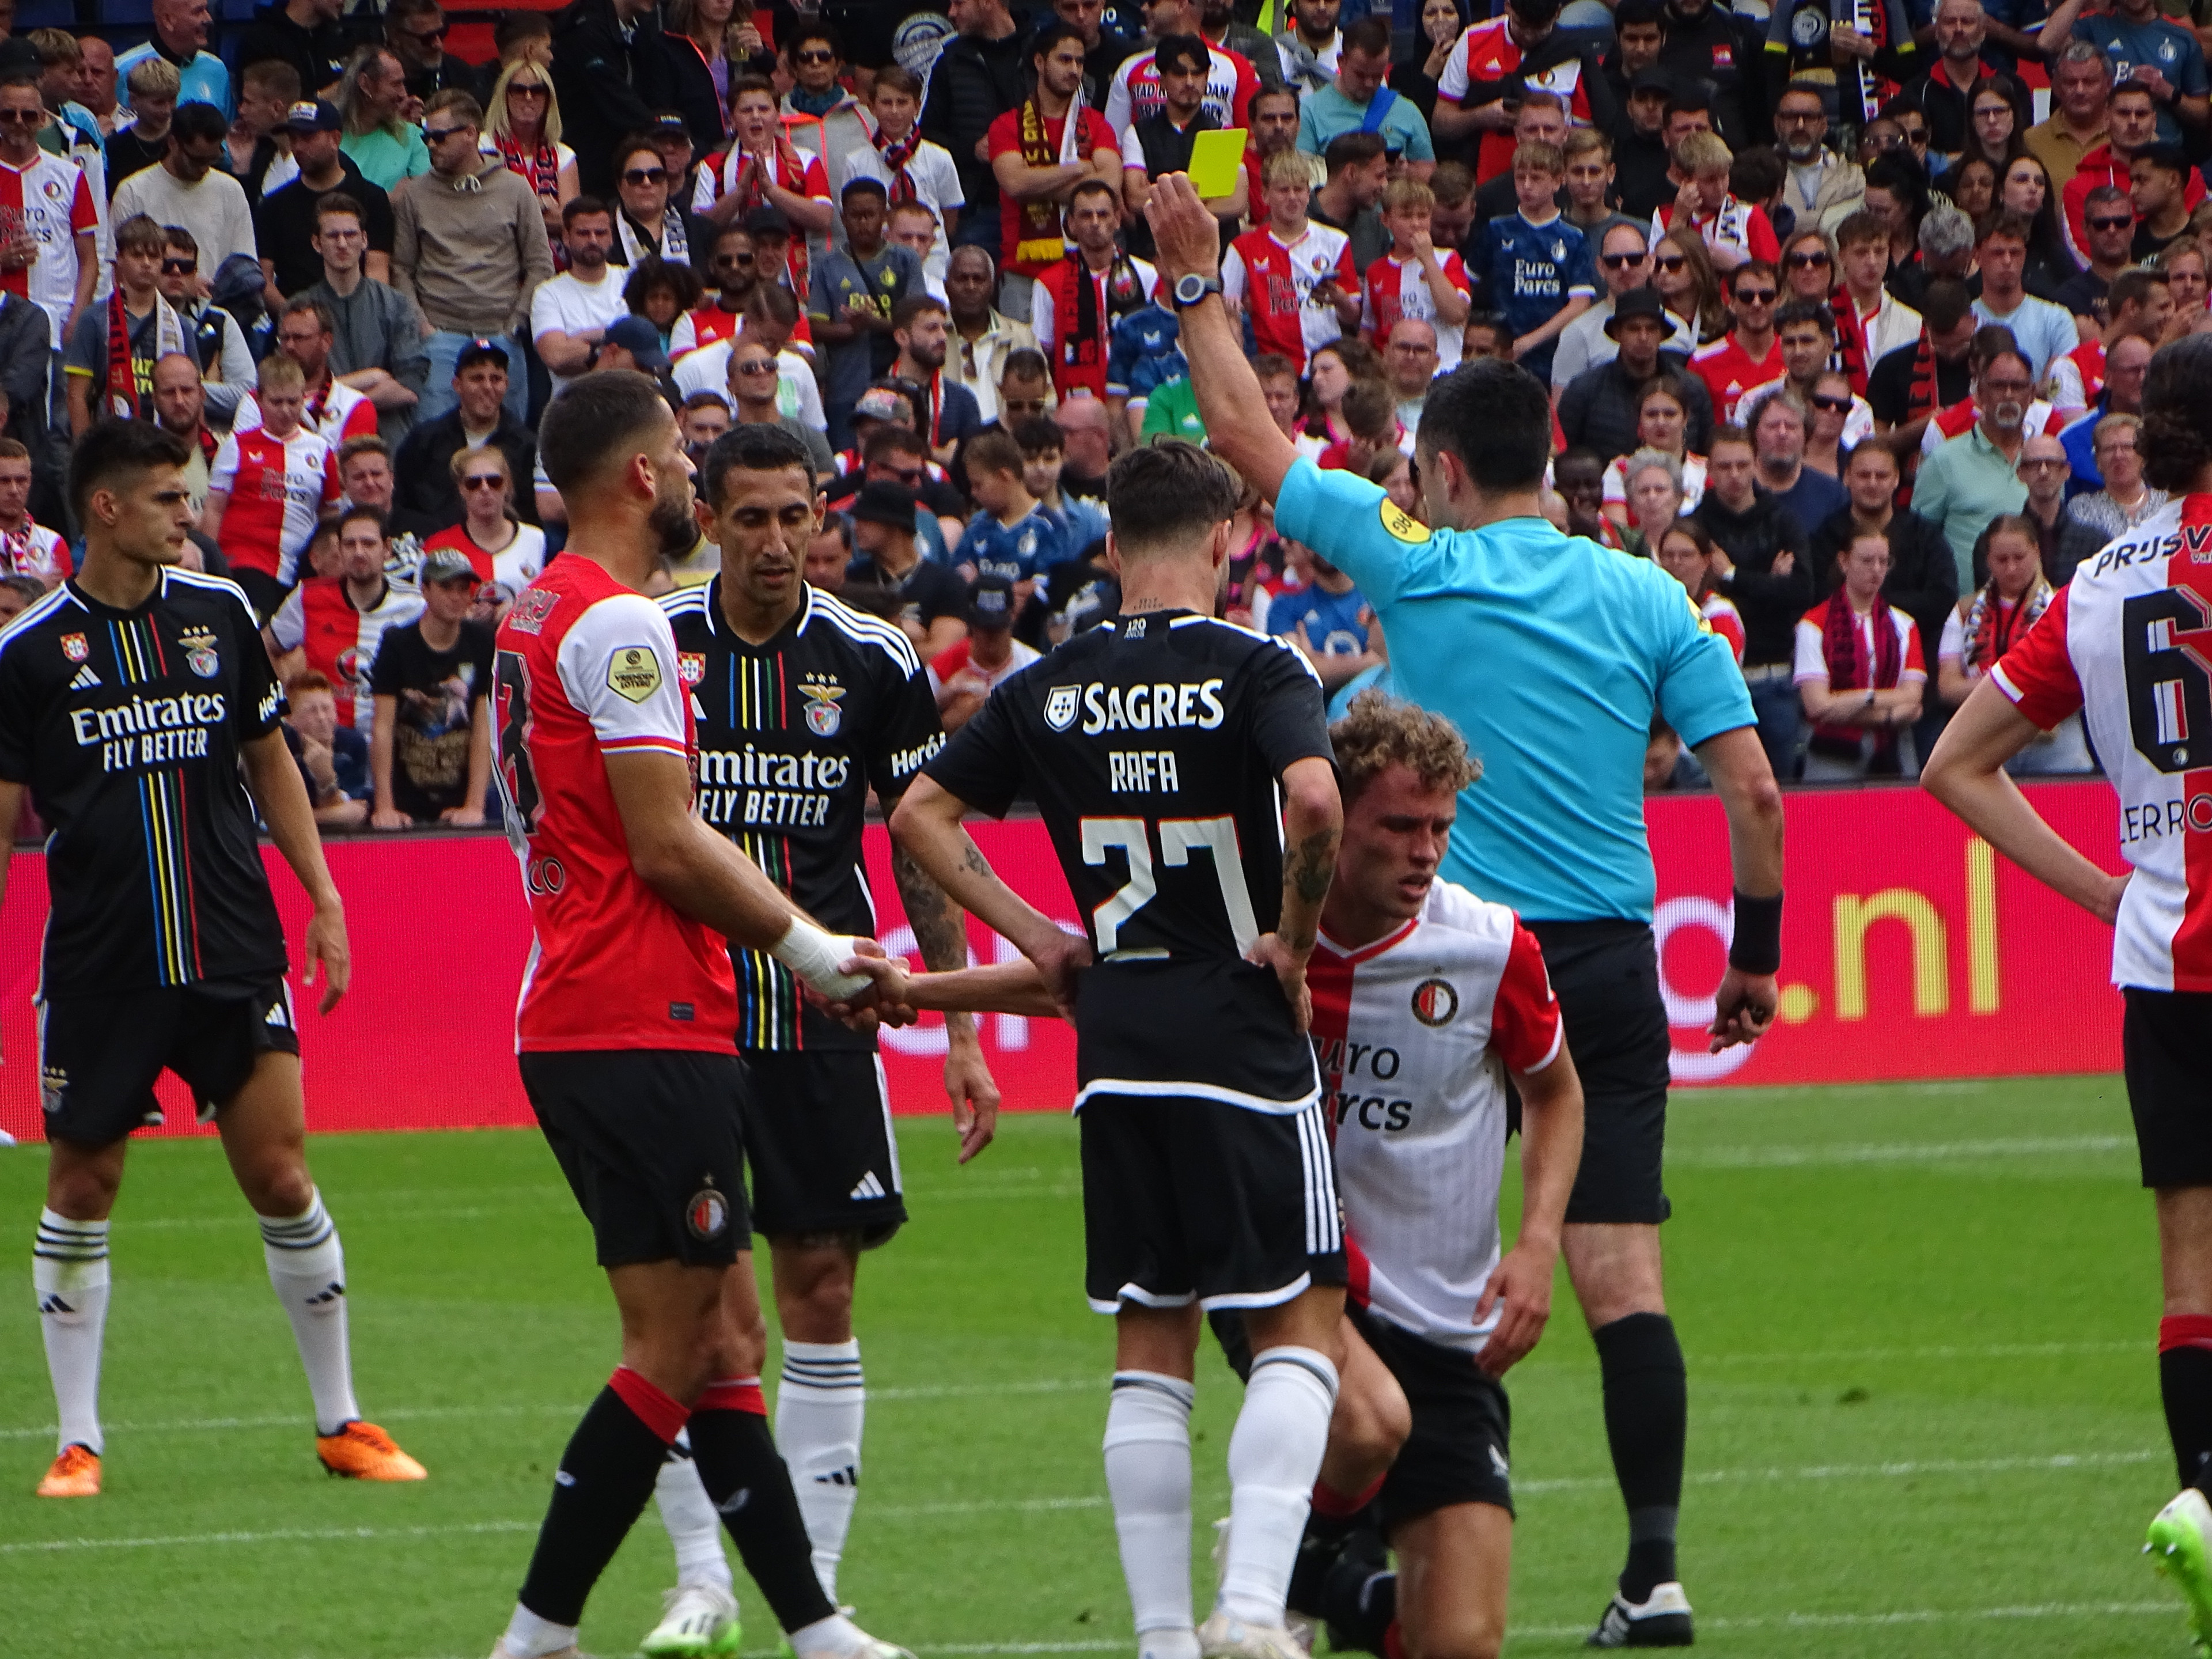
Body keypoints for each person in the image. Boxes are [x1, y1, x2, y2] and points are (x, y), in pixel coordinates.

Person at [1153, 169, 1786, 1650]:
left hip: (1445, 959)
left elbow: (1245, 441)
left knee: (1373, 1254)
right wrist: (1753, 956)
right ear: (1553, 461)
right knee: (1618, 1269)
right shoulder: (1646, 595)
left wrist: (1194, 289)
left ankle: (1325, 1551)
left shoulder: (1418, 560)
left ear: (1434, 469)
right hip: (1607, 957)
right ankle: (1653, 1572)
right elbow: (1751, 792)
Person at [885, 433, 1349, 1659]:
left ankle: (1158, 1639)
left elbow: (919, 810)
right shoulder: (1259, 664)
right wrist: (1294, 944)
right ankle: (1251, 1609)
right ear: (1223, 542)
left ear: (1106, 549)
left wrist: (1039, 932)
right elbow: (1314, 800)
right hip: (1240, 1027)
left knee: (1153, 1334)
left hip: (1116, 1034)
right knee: (1302, 1322)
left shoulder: (1049, 683)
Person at [478, 370, 910, 1659]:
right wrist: (820, 955)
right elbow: (670, 846)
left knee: (725, 1332)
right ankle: (538, 1635)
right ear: (643, 479)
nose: (687, 469)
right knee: (673, 1348)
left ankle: (813, 1624)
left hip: (583, 1006)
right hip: (641, 1013)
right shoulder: (623, 626)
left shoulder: (530, 613)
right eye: (678, 453)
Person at [0, 417, 424, 1502]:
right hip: (101, 965)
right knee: (84, 1183)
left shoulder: (222, 614)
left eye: (189, 499)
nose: (189, 517)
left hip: (234, 947)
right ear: (105, 509)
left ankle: (343, 1422)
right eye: (168, 501)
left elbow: (267, 756)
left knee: (282, 1176)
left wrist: (323, 895)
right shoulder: (29, 653)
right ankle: (79, 1439)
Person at [636, 425, 999, 1647]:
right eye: (751, 519)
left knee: (823, 1290)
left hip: (824, 1013)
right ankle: (701, 1582)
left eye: (797, 517)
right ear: (713, 522)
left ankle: (817, 1588)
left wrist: (957, 1028)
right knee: (695, 1309)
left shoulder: (876, 659)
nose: (779, 542)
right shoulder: (657, 651)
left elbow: (924, 837)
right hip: (680, 1017)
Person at [1925, 339, 2212, 1658]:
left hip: (2161, 956)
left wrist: (2103, 890)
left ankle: (2204, 1501)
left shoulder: (2096, 581)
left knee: (2187, 1264)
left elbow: (1954, 765)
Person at [392, 91, 553, 430]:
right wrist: (424, 326)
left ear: (470, 134)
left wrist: (515, 325)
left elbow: (540, 263)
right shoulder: (416, 195)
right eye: (426, 138)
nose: (430, 146)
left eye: (438, 137)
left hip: (501, 335)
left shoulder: (515, 189)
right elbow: (401, 268)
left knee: (507, 442)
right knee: (435, 440)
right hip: (440, 337)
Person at [1933, 511, 2091, 772]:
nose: (2011, 568)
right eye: (2001, 560)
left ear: (2036, 552)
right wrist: (2015, 688)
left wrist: (1997, 689)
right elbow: (1948, 686)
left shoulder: (2064, 607)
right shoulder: (1964, 611)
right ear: (1988, 561)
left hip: (2055, 740)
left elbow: (2083, 680)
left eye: (2019, 558)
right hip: (1988, 737)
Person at [987, 24, 1122, 323]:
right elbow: (1016, 183)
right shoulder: (1007, 125)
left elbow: (1109, 187)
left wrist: (1039, 180)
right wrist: (1080, 169)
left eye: (1080, 61)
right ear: (1039, 62)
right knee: (1025, 366)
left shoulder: (1097, 124)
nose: (1074, 69)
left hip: (1086, 270)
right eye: (1064, 60)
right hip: (1025, 275)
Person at [203, 354, 342, 618]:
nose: (286, 410)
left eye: (293, 402)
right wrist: (209, 565)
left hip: (299, 566)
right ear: (259, 401)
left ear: (304, 398)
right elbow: (214, 510)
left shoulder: (321, 450)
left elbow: (331, 518)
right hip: (245, 561)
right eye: (276, 402)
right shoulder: (238, 445)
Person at [265, 502, 423, 734]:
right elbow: (264, 646)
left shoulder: (415, 605)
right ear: (339, 548)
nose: (359, 552)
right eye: (350, 544)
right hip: (327, 741)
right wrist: (290, 697)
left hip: (390, 742)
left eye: (368, 544)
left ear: (387, 548)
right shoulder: (309, 596)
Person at [365, 543, 490, 827]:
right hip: (405, 796)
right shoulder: (397, 643)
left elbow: (483, 727)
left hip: (459, 791)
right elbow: (382, 727)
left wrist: (474, 805)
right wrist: (385, 807)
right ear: (425, 590)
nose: (458, 597)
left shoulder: (481, 641)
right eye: (447, 588)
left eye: (463, 589)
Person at [1793, 529, 1927, 779]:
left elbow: (1913, 698)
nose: (1877, 569)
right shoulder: (1813, 624)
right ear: (1844, 562)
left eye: (1884, 562)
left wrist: (1845, 702)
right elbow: (1817, 705)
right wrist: (1884, 710)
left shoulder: (1905, 624)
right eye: (1867, 561)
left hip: (1892, 746)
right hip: (1831, 748)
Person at [1464, 137, 1594, 382]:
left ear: (1558, 181)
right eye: (1520, 178)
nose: (1526, 186)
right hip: (1503, 352)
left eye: (1535, 178)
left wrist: (1531, 340)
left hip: (1553, 354)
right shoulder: (1497, 229)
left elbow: (1580, 303)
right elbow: (1465, 282)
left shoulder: (1574, 236)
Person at [1433, 0, 1604, 185]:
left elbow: (1584, 136)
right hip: (1491, 182)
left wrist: (1544, 130)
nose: (1529, 36)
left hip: (1555, 186)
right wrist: (1481, 116)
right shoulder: (1473, 40)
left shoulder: (1575, 54)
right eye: (1522, 26)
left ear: (1558, 14)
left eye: (1539, 29)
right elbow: (1440, 123)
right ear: (1508, 7)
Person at [1911, 343, 2036, 589]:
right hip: (1964, 613)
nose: (2009, 395)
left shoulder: (2045, 461)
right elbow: (1918, 544)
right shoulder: (1944, 460)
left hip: (2032, 614)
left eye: (2018, 387)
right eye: (1999, 386)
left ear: (2032, 395)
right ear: (1979, 394)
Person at [811, 179, 925, 446]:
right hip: (846, 384)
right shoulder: (827, 266)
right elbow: (815, 326)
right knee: (847, 457)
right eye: (855, 216)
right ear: (843, 217)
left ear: (884, 216)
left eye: (870, 215)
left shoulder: (905, 259)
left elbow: (917, 320)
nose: (863, 223)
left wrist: (873, 323)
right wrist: (849, 329)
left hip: (898, 382)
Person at [391, 337, 539, 536]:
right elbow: (402, 508)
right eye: (477, 378)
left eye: (496, 379)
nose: (487, 387)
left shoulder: (527, 445)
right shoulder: (423, 441)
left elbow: (532, 516)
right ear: (457, 385)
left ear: (507, 384)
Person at [1120, 31, 1246, 262]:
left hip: (1217, 257)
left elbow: (1237, 202)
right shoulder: (1137, 133)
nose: (1190, 82)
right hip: (1156, 258)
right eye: (1180, 74)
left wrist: (1161, 195)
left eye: (1197, 74)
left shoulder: (1222, 132)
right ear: (1162, 79)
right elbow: (1136, 199)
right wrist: (1200, 197)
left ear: (1207, 77)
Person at [0, 67, 99, 353]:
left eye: (28, 115)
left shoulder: (69, 176)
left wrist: (77, 318)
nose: (19, 122)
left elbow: (89, 258)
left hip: (57, 321)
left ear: (43, 119)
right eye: (9, 114)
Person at [1558, 289, 1714, 467]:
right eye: (1634, 329)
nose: (1643, 337)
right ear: (1617, 334)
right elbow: (1565, 458)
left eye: (1651, 328)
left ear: (1662, 335)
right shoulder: (1584, 390)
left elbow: (1706, 455)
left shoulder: (1692, 388)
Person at [1034, 183, 1158, 406]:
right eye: (1085, 215)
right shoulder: (1047, 283)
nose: (1095, 223)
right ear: (1071, 223)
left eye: (1103, 214)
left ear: (1117, 220)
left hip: (1138, 401)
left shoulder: (1147, 275)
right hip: (1077, 407)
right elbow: (1042, 355)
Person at [256, 101, 395, 300]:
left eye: (308, 137)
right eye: (293, 139)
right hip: (296, 317)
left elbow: (378, 271)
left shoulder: (372, 197)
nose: (298, 147)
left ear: (335, 139)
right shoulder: (273, 206)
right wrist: (296, 319)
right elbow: (264, 280)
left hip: (358, 314)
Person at [64, 213, 187, 436]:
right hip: (110, 444)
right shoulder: (93, 319)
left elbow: (193, 392)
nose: (147, 263)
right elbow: (76, 395)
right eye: (137, 255)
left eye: (154, 256)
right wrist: (85, 453)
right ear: (119, 258)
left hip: (164, 443)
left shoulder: (181, 325)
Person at [839, 65, 962, 285]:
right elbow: (853, 217)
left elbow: (950, 216)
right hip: (878, 261)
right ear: (873, 107)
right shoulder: (857, 161)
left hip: (932, 261)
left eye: (902, 102)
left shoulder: (939, 157)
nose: (894, 111)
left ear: (917, 106)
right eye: (886, 103)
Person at [846, 479, 968, 661]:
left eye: (865, 520)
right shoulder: (853, 578)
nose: (855, 527)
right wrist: (902, 631)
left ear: (893, 524)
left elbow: (942, 655)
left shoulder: (947, 583)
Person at [1297, 17, 1432, 174]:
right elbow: (1302, 176)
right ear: (1341, 61)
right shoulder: (1310, 111)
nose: (1369, 83)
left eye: (1377, 76)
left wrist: (1405, 173)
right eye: (1360, 75)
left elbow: (1428, 170)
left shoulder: (1407, 111)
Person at [1363, 176, 1470, 370]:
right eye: (1406, 216)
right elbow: (1368, 330)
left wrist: (1428, 260)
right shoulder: (1375, 271)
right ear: (1386, 220)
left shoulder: (1447, 259)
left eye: (1422, 216)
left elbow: (1456, 314)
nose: (1416, 224)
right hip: (1394, 376)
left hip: (1444, 370)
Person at [533, 197, 631, 398]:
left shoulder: (631, 280)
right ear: (566, 237)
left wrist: (584, 340)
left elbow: (646, 347)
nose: (593, 240)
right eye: (584, 233)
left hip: (632, 405)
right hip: (574, 410)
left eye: (601, 233)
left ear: (611, 237)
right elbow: (556, 357)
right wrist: (616, 343)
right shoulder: (548, 293)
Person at [2057, 409, 2169, 581]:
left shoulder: (2167, 502)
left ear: (2144, 456)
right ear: (2097, 461)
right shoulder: (2081, 508)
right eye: (2109, 449)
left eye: (2127, 447)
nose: (2118, 456)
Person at [423, 444, 547, 592]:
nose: (485, 489)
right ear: (461, 489)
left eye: (494, 482)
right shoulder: (438, 548)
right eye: (473, 483)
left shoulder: (538, 540)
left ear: (507, 485)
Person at [929, 573, 1041, 728]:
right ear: (972, 623)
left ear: (1013, 616)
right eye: (984, 628)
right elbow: (915, 733)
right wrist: (944, 705)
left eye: (997, 629)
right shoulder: (944, 665)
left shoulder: (1034, 666)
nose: (990, 637)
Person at [942, 245, 1039, 425]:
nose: (971, 287)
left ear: (992, 287)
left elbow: (1046, 401)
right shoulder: (934, 335)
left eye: (979, 279)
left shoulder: (1022, 337)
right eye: (962, 279)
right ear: (946, 286)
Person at [1688, 260, 1784, 426]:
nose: (1757, 303)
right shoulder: (1702, 363)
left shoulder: (1796, 355)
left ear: (1779, 301)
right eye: (1747, 297)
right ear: (1731, 303)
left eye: (1766, 296)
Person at [1746, 385, 1846, 532]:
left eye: (1791, 427)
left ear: (1806, 435)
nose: (1782, 433)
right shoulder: (1736, 490)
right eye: (1773, 426)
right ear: (1755, 434)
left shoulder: (1834, 497)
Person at [1601, 378, 1706, 518]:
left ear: (1685, 418)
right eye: (1652, 414)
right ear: (1639, 419)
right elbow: (1617, 534)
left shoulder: (1706, 471)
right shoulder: (1620, 470)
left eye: (1670, 414)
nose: (1660, 422)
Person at [282, 666, 373, 827]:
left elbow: (357, 813)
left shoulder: (353, 744)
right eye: (311, 711)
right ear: (291, 719)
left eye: (326, 708)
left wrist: (326, 779)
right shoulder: (283, 749)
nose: (322, 718)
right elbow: (281, 819)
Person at [1772, 81, 1865, 235]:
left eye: (1809, 117)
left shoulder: (1854, 177)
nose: (1800, 126)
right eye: (1791, 117)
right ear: (1777, 123)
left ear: (1824, 125)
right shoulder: (1760, 177)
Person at [334, 47, 427, 192]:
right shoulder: (332, 139)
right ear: (365, 84)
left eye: (403, 84)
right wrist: (388, 201)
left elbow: (424, 194)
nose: (404, 94)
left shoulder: (410, 135)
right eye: (396, 84)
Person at [113, 0, 230, 117]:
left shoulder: (217, 69)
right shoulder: (122, 71)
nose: (208, 19)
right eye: (198, 12)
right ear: (168, 20)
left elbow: (228, 130)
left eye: (206, 10)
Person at [2027, 39, 2114, 188]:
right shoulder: (2030, 142)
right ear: (2055, 86)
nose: (2080, 91)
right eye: (2070, 82)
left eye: (2089, 82)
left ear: (2108, 84)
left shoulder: (2135, 138)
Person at [0, 434, 63, 584]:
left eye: (21, 480)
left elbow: (66, 603)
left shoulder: (53, 543)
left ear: (30, 481)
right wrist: (38, 590)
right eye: (4, 481)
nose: (14, 490)